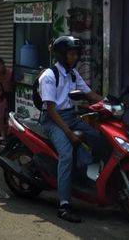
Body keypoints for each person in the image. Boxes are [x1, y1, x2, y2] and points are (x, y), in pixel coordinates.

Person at [39, 35, 106, 223]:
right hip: (52, 121)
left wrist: (111, 103)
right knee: (67, 154)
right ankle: (64, 204)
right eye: (70, 53)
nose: (74, 57)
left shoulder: (73, 74)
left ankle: (82, 179)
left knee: (98, 137)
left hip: (70, 117)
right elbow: (51, 109)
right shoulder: (49, 76)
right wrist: (69, 134)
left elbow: (90, 95)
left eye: (76, 53)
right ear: (61, 54)